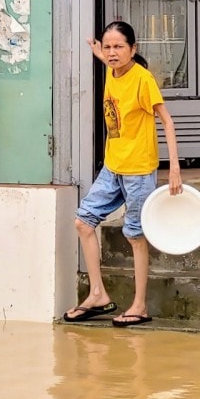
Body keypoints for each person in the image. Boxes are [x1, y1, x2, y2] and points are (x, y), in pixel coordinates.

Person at [63, 20, 182, 328]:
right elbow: (110, 61)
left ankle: (140, 305)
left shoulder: (143, 80)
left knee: (135, 235)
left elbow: (167, 122)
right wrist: (98, 52)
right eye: (108, 47)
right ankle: (98, 295)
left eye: (119, 47)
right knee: (83, 222)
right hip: (113, 166)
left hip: (140, 170)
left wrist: (174, 170)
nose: (112, 53)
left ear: (133, 49)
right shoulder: (113, 70)